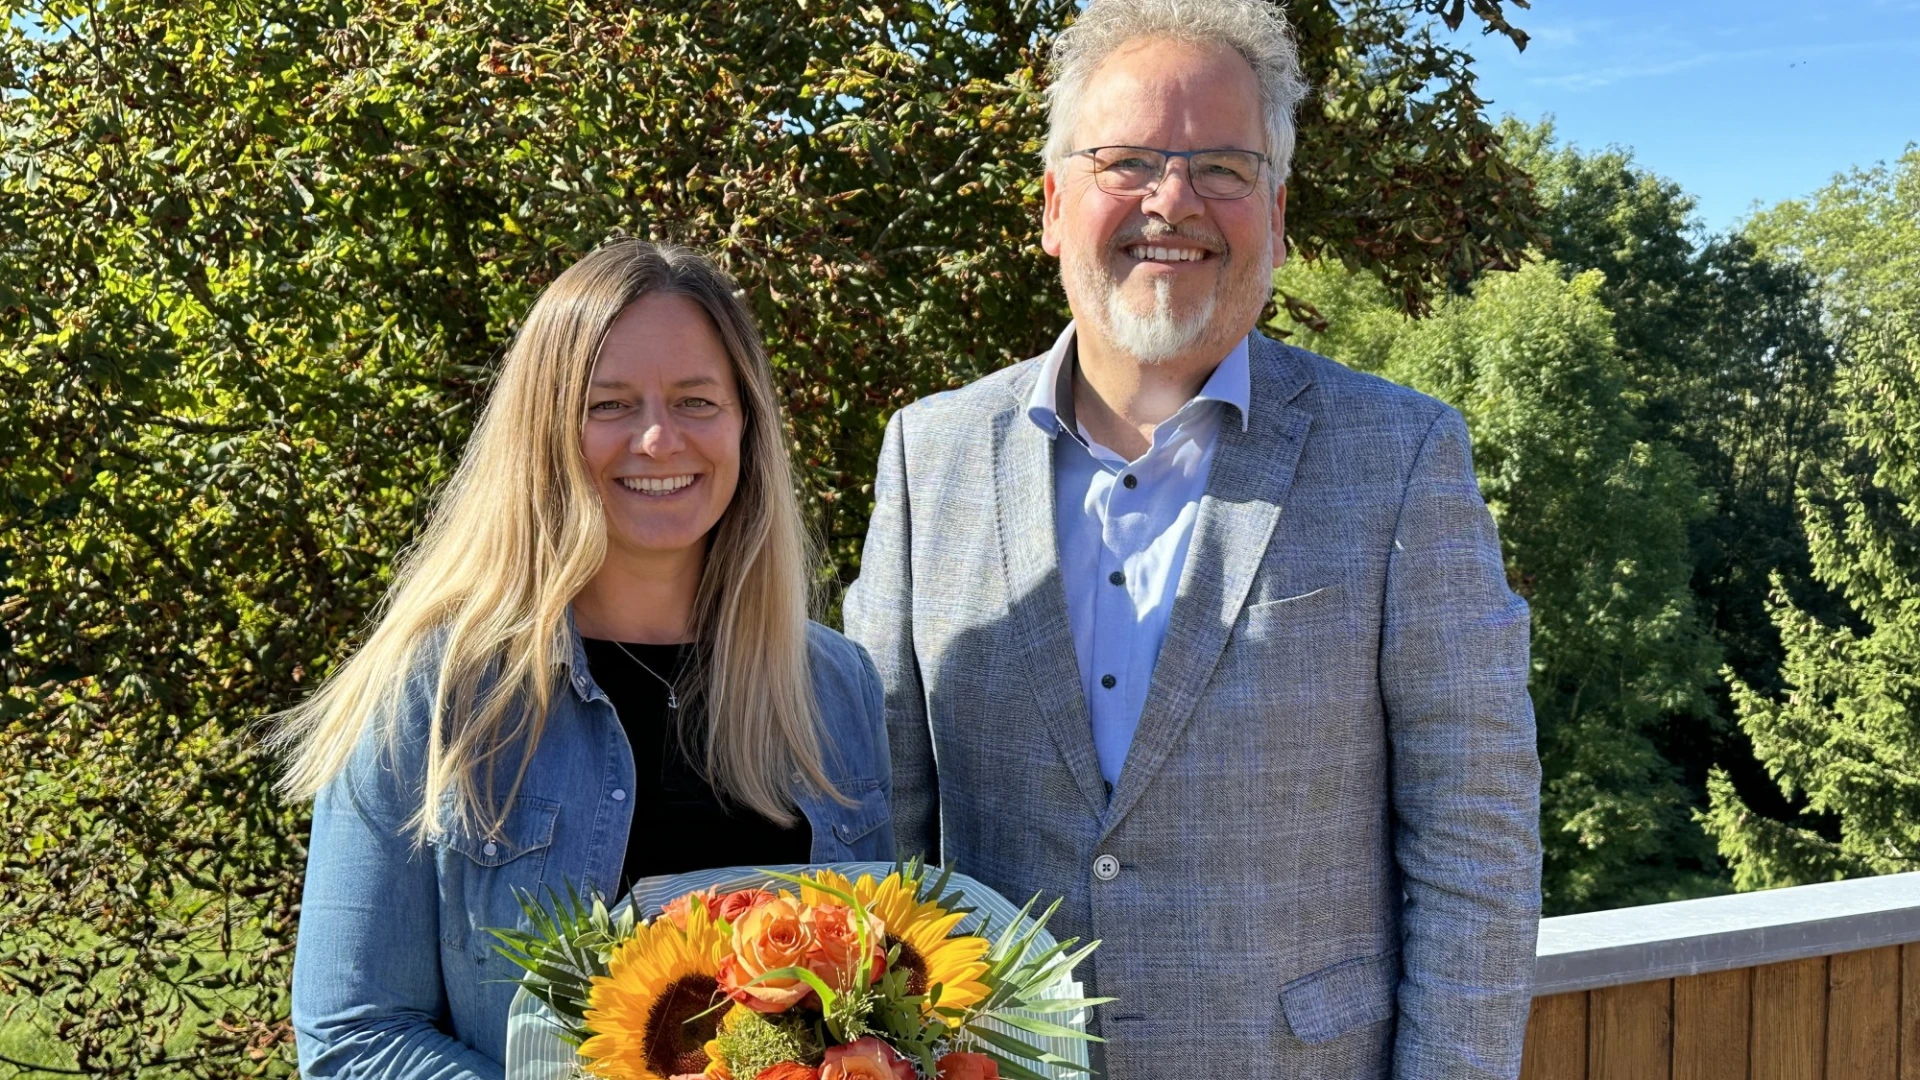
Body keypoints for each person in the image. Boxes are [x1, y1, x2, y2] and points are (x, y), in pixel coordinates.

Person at [842, 0, 1541, 1076]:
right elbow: (875, 824)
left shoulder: (1400, 458)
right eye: (1126, 161)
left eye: (1222, 167)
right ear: (1052, 203)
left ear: (1278, 210)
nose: (1173, 202)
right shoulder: (927, 456)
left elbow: (1476, 847)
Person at [279, 240, 894, 1080]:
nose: (656, 438)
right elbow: (354, 1036)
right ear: (544, 432)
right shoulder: (433, 693)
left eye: (696, 400)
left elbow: (891, 1002)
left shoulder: (834, 688)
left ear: (746, 424)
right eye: (608, 404)